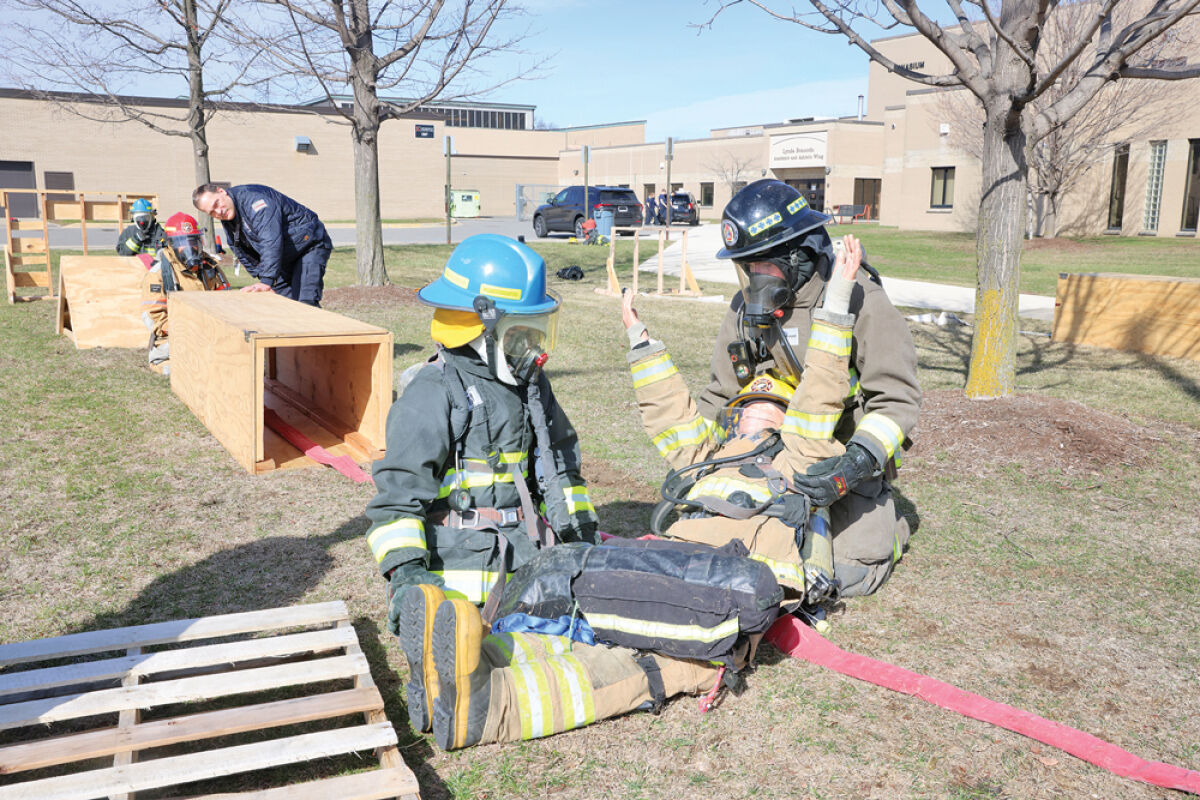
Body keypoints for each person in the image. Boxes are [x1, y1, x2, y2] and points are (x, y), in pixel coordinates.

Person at [694, 179, 922, 598]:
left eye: (764, 265)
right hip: (771, 456)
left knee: (846, 575)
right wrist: (697, 466)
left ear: (799, 256)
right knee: (738, 552)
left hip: (842, 464)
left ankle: (892, 528)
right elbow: (719, 394)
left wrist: (852, 466)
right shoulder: (745, 310)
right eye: (747, 267)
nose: (753, 279)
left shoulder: (862, 302)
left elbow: (897, 401)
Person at [620, 235, 867, 607]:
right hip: (681, 564)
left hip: (751, 581)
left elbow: (820, 390)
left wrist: (837, 298)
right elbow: (670, 413)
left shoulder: (798, 458)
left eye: (767, 407)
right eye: (747, 405)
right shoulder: (711, 456)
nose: (752, 412)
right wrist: (640, 342)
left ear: (786, 425)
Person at [364, 233, 599, 619]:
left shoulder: (532, 387)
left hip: (529, 565)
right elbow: (395, 502)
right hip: (456, 585)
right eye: (521, 331)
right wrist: (409, 579)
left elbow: (561, 468)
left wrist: (582, 538)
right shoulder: (432, 393)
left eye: (536, 329)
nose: (533, 347)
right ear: (478, 328)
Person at [190, 183, 331, 307]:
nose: (218, 211)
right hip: (283, 258)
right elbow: (239, 248)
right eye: (212, 212)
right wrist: (259, 275)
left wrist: (267, 280)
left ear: (222, 191)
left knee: (305, 303)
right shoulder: (229, 215)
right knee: (284, 306)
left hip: (308, 246)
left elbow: (270, 240)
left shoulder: (256, 201)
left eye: (216, 204)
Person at [139, 212, 230, 374]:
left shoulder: (210, 267)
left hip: (212, 334)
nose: (189, 247)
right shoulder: (158, 274)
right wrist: (188, 332)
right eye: (181, 242)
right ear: (170, 244)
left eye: (193, 241)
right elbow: (153, 317)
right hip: (176, 338)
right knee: (181, 370)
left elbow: (228, 302)